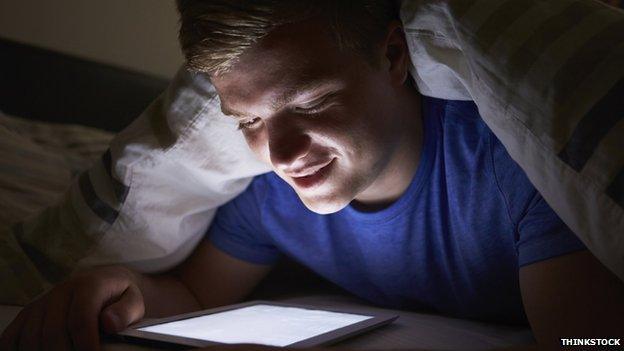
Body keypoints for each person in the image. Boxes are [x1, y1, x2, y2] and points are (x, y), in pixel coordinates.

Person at [1, 1, 623, 350]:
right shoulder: (268, 193)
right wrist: (126, 288)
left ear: (393, 55)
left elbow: (588, 343)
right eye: (248, 120)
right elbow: (195, 299)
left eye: (310, 103)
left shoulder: (508, 166)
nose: (281, 151)